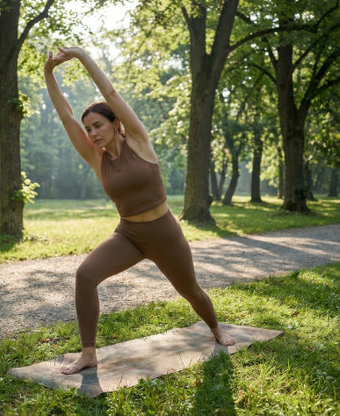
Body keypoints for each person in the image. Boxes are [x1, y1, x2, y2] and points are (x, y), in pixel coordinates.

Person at [44, 47, 235, 375]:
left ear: (115, 123)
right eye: (88, 129)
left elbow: (111, 92)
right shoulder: (96, 157)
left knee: (190, 291)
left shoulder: (138, 142)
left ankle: (216, 328)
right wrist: (49, 73)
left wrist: (81, 56)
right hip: (129, 235)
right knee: (85, 275)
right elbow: (65, 115)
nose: (91, 133)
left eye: (97, 125)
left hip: (165, 234)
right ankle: (88, 353)